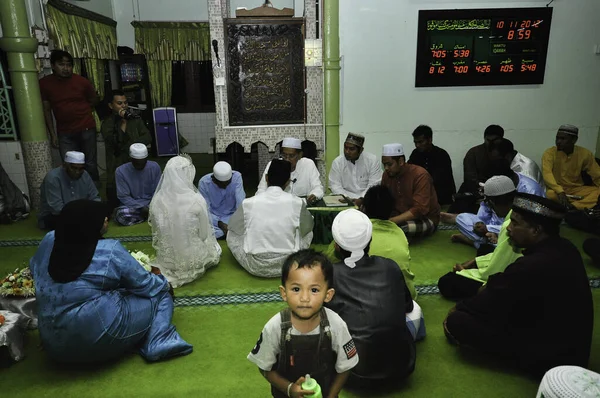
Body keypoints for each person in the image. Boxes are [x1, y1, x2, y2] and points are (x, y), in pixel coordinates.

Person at [444, 193, 593, 377]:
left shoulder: (532, 265)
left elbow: (486, 302)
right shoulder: (567, 248)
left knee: (458, 321)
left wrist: (458, 308)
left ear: (536, 230)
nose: (508, 229)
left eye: (515, 223)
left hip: (555, 362)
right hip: (569, 347)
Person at [29, 199, 192, 363]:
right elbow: (146, 285)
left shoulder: (49, 240)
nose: (106, 219)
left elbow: (35, 269)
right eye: (100, 217)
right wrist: (164, 283)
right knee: (161, 293)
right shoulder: (109, 250)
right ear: (88, 223)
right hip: (95, 341)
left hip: (53, 344)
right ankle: (158, 342)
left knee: (111, 291)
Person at [326, 209, 419, 389]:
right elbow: (407, 306)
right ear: (370, 240)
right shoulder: (390, 266)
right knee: (415, 310)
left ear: (337, 246)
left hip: (352, 373)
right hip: (403, 367)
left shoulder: (330, 274)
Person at [247, 249, 359, 398]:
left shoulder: (336, 325)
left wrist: (331, 396)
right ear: (284, 293)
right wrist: (289, 389)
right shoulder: (274, 327)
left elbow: (345, 367)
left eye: (314, 290)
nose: (304, 298)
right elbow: (264, 368)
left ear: (328, 295)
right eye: (296, 289)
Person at [323, 185, 416, 299]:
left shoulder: (355, 233)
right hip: (404, 298)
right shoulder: (399, 233)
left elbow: (329, 261)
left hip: (363, 301)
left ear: (363, 209)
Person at [227, 159, 314, 277]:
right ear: (288, 182)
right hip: (288, 265)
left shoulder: (248, 203)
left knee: (232, 233)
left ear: (266, 178)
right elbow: (308, 227)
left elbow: (233, 228)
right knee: (308, 229)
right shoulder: (298, 203)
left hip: (255, 266)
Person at [149, 155, 221, 288]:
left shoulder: (157, 200)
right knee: (215, 247)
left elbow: (157, 232)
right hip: (193, 261)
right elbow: (204, 235)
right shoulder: (196, 199)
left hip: (167, 261)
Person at [39, 50, 99, 182]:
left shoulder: (82, 82)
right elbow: (46, 109)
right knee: (69, 165)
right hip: (65, 132)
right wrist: (53, 134)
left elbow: (94, 100)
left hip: (86, 128)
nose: (66, 68)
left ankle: (94, 193)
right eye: (62, 64)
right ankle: (73, 193)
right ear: (53, 65)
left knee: (89, 163)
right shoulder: (45, 84)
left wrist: (80, 109)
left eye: (69, 65)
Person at [438, 212, 522, 300]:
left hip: (507, 288)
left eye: (515, 224)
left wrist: (464, 272)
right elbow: (502, 255)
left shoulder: (530, 261)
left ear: (535, 230)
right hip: (501, 271)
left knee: (447, 282)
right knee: (484, 248)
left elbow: (497, 273)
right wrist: (476, 261)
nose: (509, 227)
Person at [101, 90, 152, 212]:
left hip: (135, 163)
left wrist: (132, 146)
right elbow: (115, 144)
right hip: (117, 164)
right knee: (116, 200)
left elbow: (147, 137)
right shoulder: (107, 123)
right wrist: (123, 124)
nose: (123, 106)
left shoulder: (135, 120)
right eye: (119, 103)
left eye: (125, 102)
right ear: (111, 105)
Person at [381, 143, 440, 238]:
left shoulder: (420, 175)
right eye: (384, 165)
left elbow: (419, 210)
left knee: (404, 229)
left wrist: (391, 221)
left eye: (389, 164)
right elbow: (384, 199)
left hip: (425, 219)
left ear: (400, 161)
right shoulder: (387, 175)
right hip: (398, 216)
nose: (386, 168)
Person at [448, 176, 516, 250]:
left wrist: (488, 229)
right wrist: (479, 226)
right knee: (461, 218)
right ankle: (485, 241)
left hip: (504, 237)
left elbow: (512, 229)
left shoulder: (520, 211)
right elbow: (480, 219)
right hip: (488, 232)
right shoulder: (488, 204)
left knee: (507, 245)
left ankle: (473, 241)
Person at [38, 151, 100, 230]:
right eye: (73, 168)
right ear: (64, 165)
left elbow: (95, 197)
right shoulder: (53, 178)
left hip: (81, 214)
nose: (77, 172)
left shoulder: (85, 175)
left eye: (80, 169)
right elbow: (57, 209)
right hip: (55, 216)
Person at [542, 124, 600, 210]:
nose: (558, 141)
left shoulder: (585, 153)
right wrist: (559, 191)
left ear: (574, 140)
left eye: (563, 139)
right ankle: (580, 205)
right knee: (550, 195)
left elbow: (596, 174)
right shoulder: (549, 153)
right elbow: (547, 174)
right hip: (558, 190)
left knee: (597, 192)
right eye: (557, 138)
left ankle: (573, 206)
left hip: (577, 189)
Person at [257, 137, 324, 204]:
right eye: (284, 155)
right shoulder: (273, 165)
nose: (287, 159)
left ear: (300, 155)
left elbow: (318, 187)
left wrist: (315, 195)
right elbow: (261, 190)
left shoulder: (308, 164)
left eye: (291, 156)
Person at [114, 143, 161, 226]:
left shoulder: (155, 167)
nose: (140, 166)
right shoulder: (120, 171)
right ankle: (148, 217)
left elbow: (158, 191)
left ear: (147, 158)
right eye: (137, 163)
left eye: (143, 163)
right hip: (133, 207)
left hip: (152, 205)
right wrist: (141, 207)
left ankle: (143, 217)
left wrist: (151, 207)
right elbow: (123, 196)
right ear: (130, 159)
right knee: (120, 215)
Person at [408, 125, 456, 205]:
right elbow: (409, 171)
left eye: (420, 142)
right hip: (421, 197)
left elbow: (438, 180)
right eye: (415, 142)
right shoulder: (415, 154)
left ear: (430, 140)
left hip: (441, 199)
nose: (417, 145)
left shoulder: (441, 155)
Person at [328, 133, 381, 204]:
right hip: (345, 199)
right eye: (345, 147)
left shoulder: (372, 161)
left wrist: (362, 199)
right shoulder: (338, 162)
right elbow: (335, 185)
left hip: (367, 200)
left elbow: (374, 184)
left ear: (361, 150)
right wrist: (348, 199)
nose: (347, 152)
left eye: (351, 149)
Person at [198, 161, 245, 239]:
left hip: (231, 217)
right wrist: (219, 223)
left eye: (227, 183)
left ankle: (227, 232)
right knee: (201, 226)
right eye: (221, 184)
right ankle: (228, 232)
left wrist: (238, 221)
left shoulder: (236, 177)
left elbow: (240, 203)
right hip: (213, 219)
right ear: (213, 179)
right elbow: (205, 210)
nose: (224, 186)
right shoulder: (204, 183)